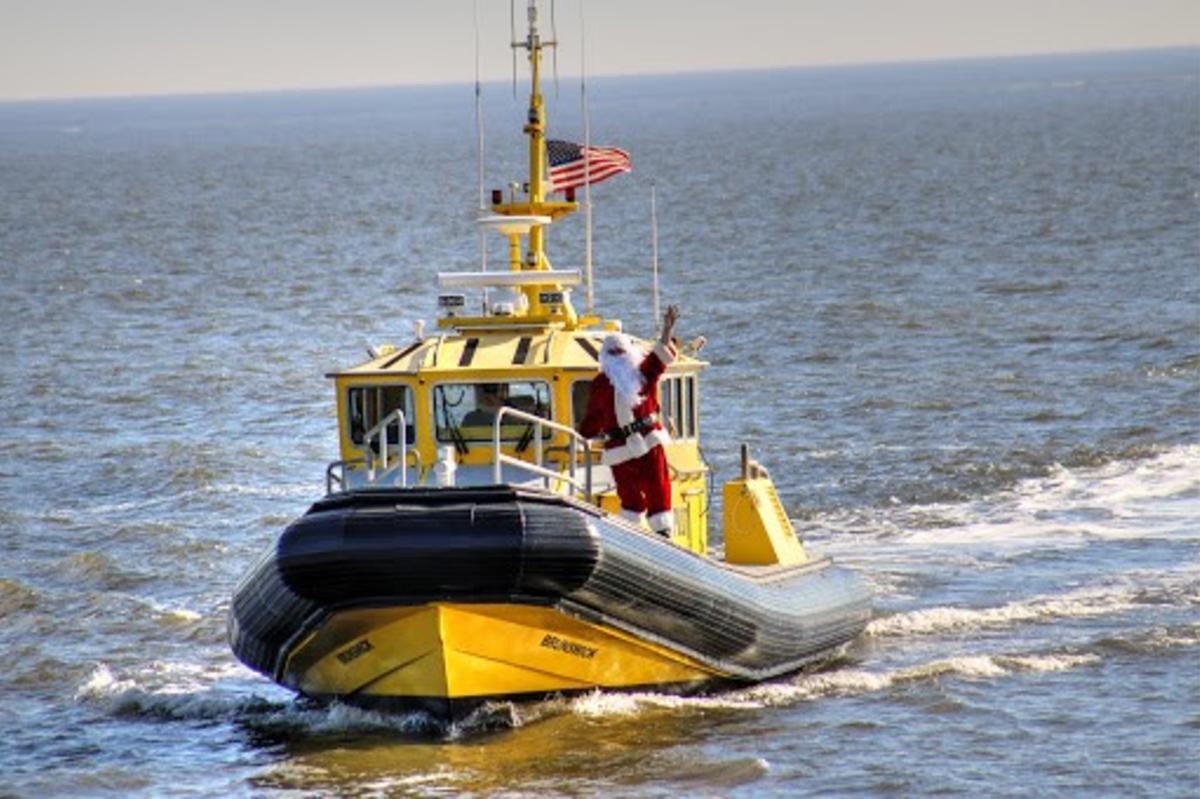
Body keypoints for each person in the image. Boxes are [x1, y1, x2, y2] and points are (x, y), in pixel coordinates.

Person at [578, 305, 679, 537]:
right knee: (629, 493)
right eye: (613, 353)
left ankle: (663, 530)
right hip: (619, 447)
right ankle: (631, 533)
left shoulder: (643, 373)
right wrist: (581, 437)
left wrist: (666, 329)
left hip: (648, 440)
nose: (617, 358)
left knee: (658, 486)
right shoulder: (601, 383)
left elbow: (659, 356)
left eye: (620, 352)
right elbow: (593, 417)